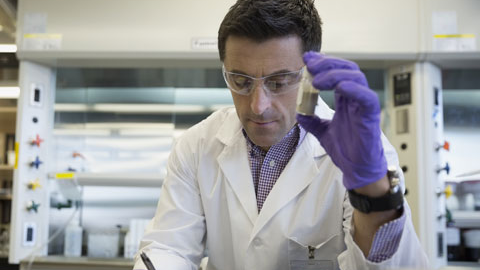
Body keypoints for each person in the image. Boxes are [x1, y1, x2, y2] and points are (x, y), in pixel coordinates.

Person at [133, 0, 428, 269]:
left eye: (280, 82)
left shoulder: (362, 151)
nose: (258, 106)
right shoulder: (197, 146)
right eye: (240, 81)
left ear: (308, 74)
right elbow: (169, 248)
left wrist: (371, 192)